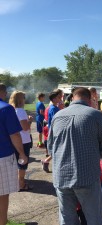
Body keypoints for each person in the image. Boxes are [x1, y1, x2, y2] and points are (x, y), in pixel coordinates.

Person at [48, 87, 102, 225]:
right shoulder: (96, 115)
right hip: (86, 175)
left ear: (72, 98)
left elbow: (51, 147)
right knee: (94, 218)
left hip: (61, 175)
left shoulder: (58, 115)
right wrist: (92, 158)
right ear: (89, 99)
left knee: (67, 218)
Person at [0, 83, 28, 225]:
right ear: (3, 93)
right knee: (2, 195)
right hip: (3, 157)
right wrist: (22, 154)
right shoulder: (6, 108)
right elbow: (15, 135)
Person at [9, 91, 33, 191]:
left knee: (14, 162)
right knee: (22, 163)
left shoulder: (11, 110)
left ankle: (16, 182)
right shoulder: (21, 111)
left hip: (13, 140)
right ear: (20, 99)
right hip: (23, 141)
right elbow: (25, 128)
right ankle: (21, 184)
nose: (24, 99)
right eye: (23, 97)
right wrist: (30, 120)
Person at [41, 91, 61, 172]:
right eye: (57, 97)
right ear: (53, 99)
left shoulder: (55, 107)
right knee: (57, 149)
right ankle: (47, 162)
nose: (59, 99)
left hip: (55, 130)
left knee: (57, 149)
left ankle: (46, 161)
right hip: (55, 131)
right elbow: (54, 121)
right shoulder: (53, 108)